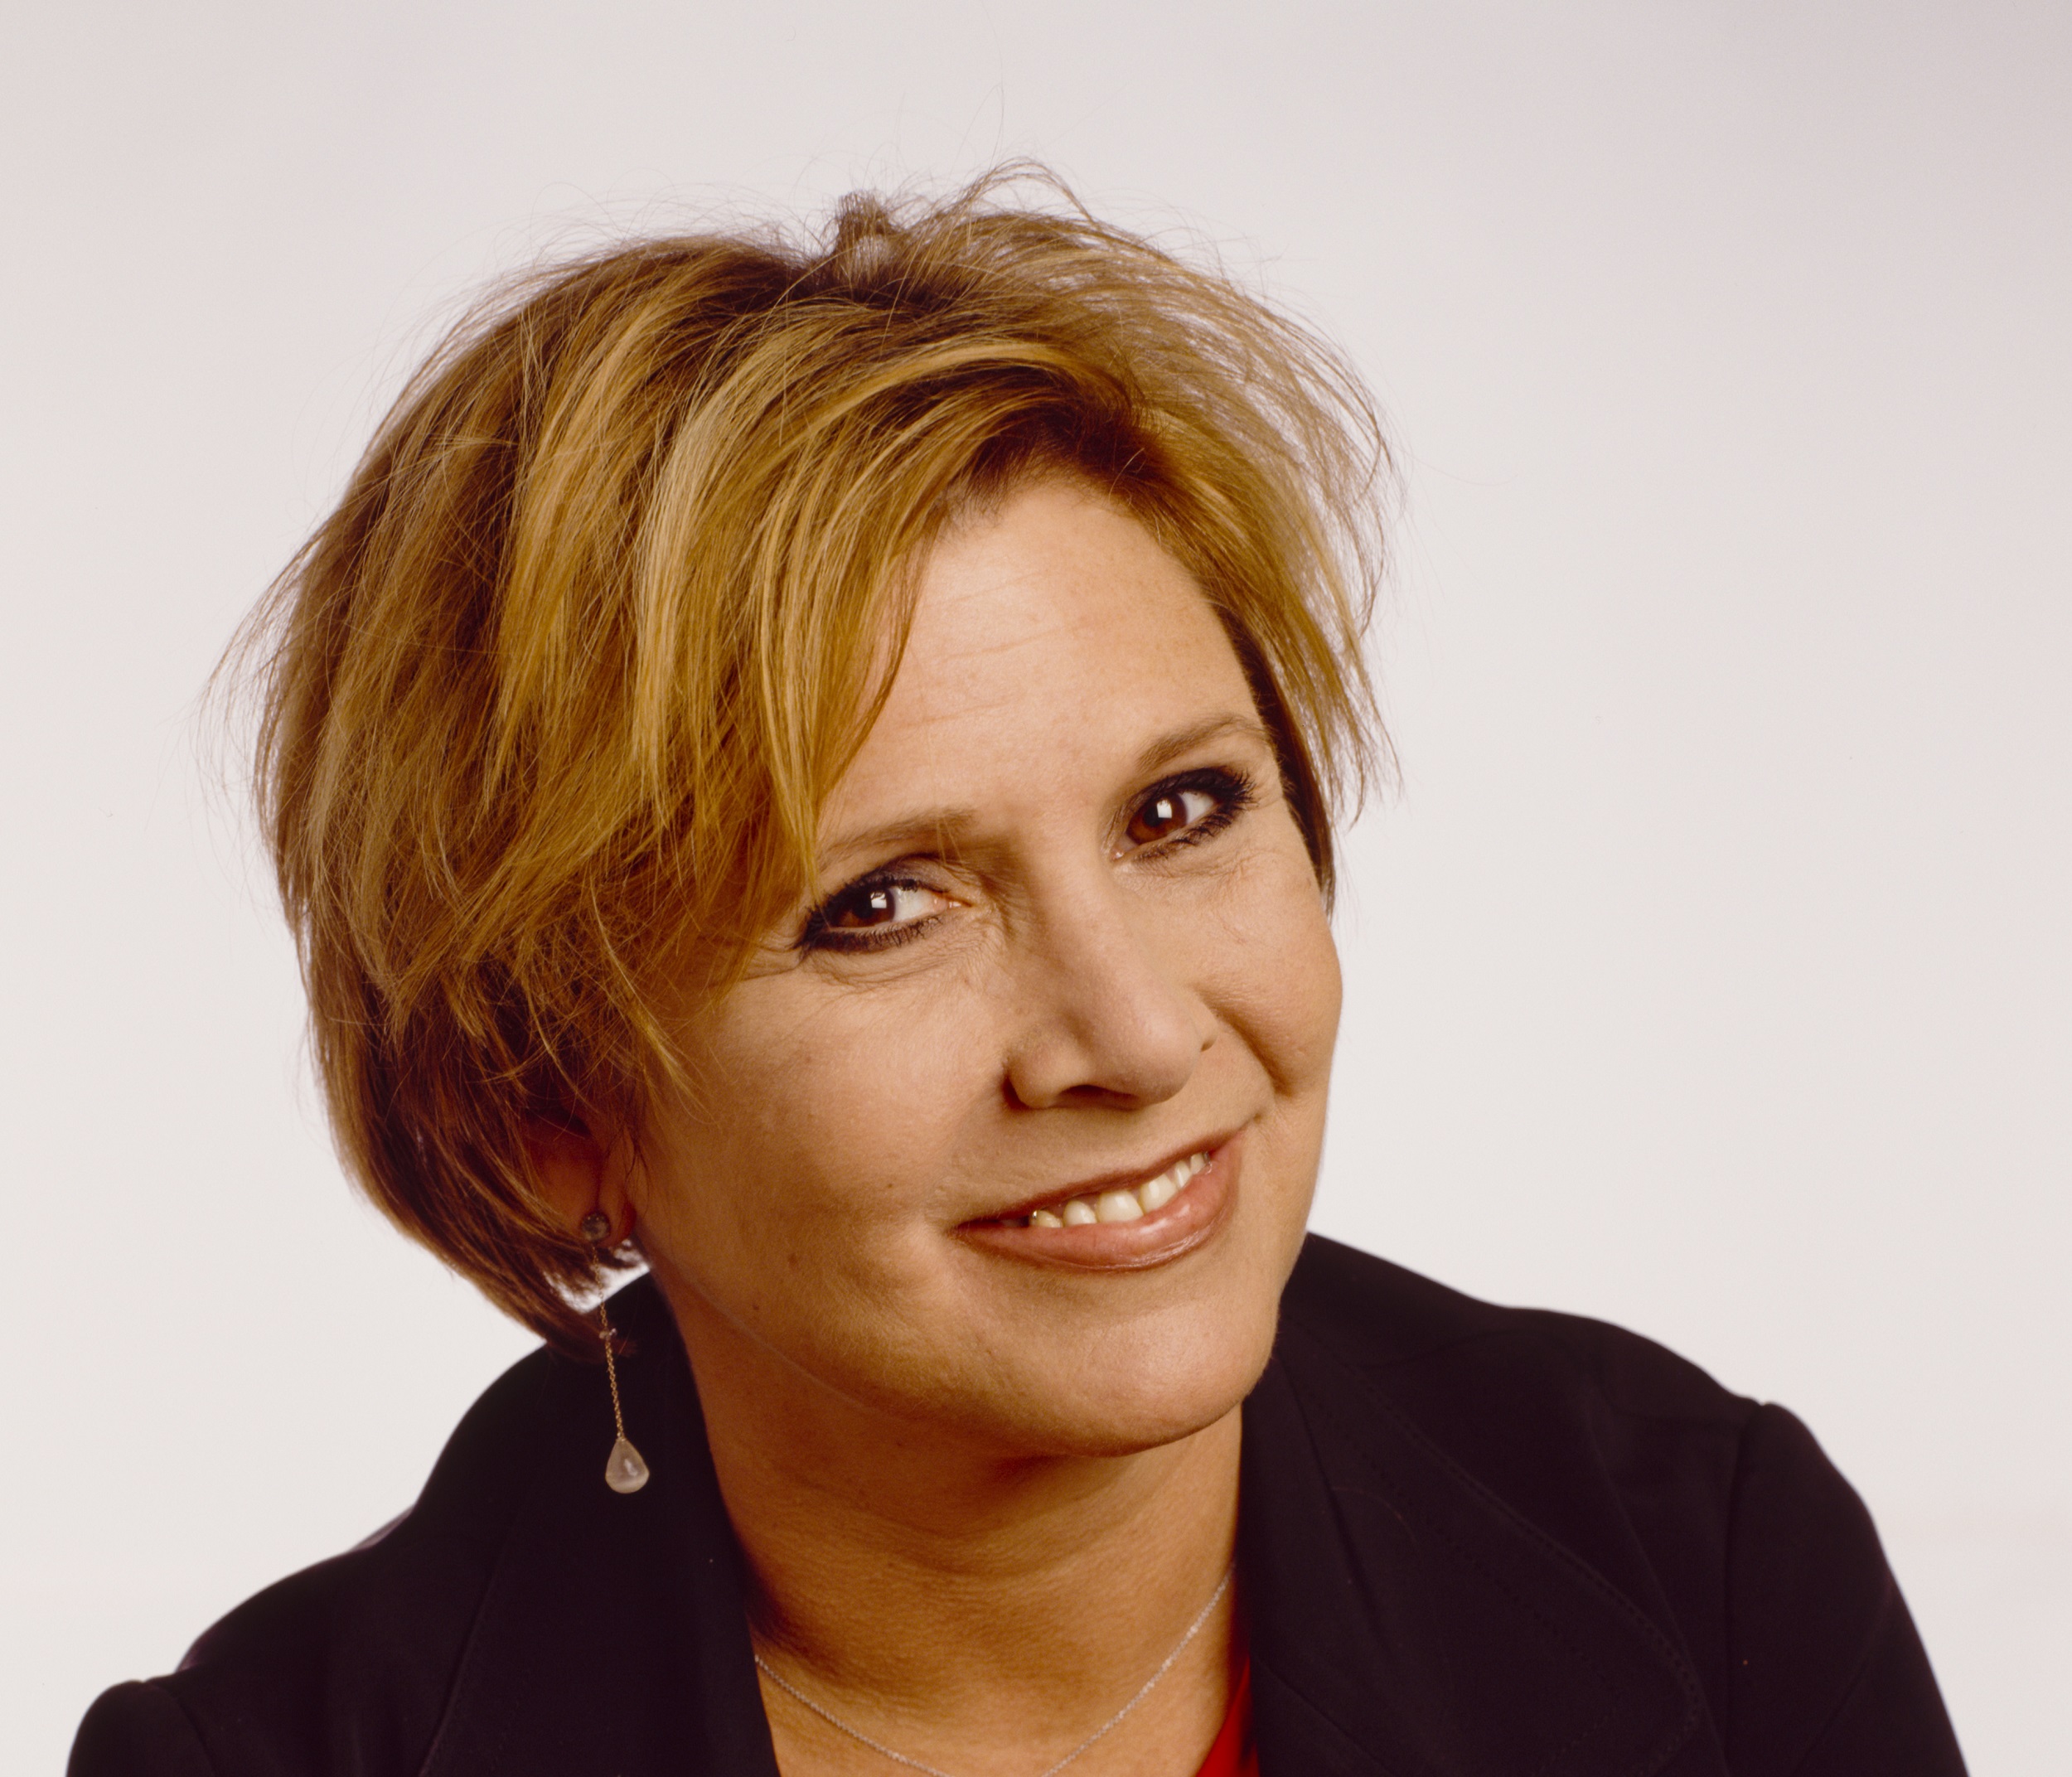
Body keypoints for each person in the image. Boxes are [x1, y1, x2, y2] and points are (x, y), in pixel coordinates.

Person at [70, 171, 1966, 1777]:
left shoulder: (1703, 1569)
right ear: (545, 1106)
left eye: (1179, 809)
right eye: (879, 906)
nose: (1137, 1035)